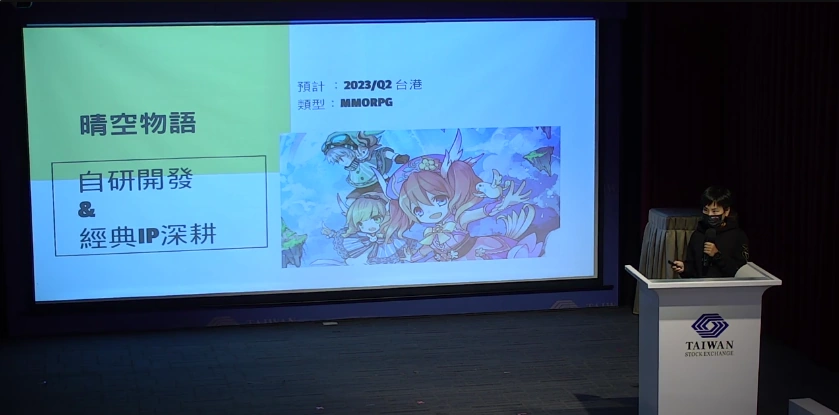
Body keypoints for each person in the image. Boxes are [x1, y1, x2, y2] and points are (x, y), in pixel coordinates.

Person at [671, 186, 750, 278]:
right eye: (706, 210)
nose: (709, 214)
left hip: (726, 286)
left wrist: (717, 255)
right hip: (700, 286)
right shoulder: (697, 235)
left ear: (726, 211)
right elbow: (693, 269)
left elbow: (740, 271)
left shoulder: (738, 236)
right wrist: (685, 268)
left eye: (715, 211)